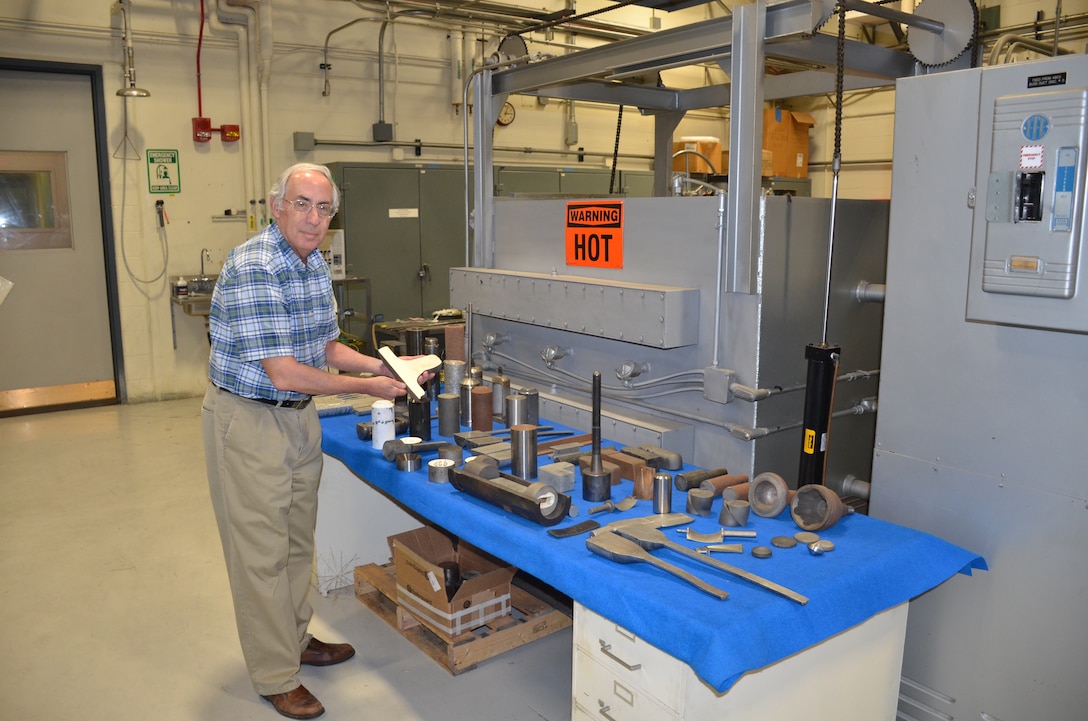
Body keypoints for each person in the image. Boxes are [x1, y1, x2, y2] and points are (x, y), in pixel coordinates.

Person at [202, 162, 429, 719]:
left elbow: (325, 348)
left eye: (324, 208)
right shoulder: (256, 265)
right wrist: (368, 386)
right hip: (250, 420)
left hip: (298, 419)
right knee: (260, 554)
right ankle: (274, 673)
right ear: (276, 205)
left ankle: (296, 640)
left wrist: (387, 365)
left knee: (295, 544)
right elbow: (282, 370)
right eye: (302, 203)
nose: (313, 218)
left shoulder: (310, 266)